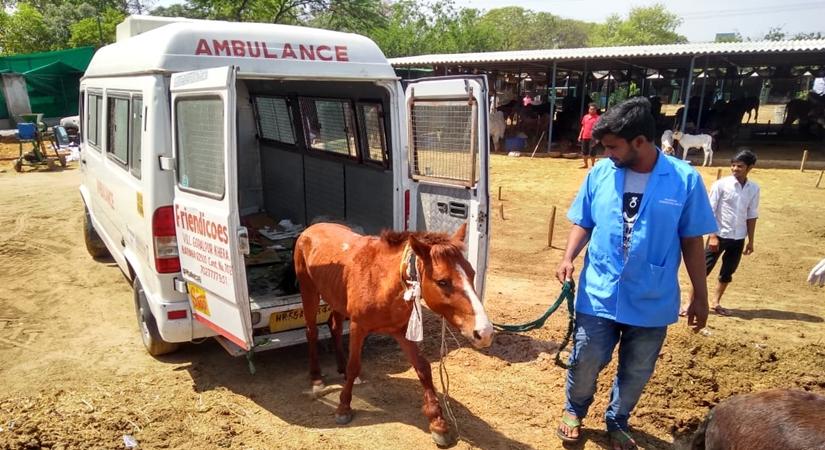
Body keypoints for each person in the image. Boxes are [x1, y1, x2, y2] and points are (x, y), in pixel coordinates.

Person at [555, 97, 717, 449]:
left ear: (640, 141)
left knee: (637, 369)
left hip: (652, 297)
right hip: (599, 291)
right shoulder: (600, 174)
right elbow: (584, 221)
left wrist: (700, 296)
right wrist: (568, 257)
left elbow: (692, 240)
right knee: (586, 359)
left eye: (613, 146)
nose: (607, 153)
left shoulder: (684, 180)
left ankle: (618, 419)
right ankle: (574, 410)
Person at [681, 149, 760, 317]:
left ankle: (716, 302)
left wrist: (751, 241)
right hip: (719, 235)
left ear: (750, 167)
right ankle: (689, 303)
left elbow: (752, 215)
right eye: (733, 165)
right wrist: (712, 235)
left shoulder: (753, 189)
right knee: (702, 270)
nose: (735, 169)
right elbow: (710, 210)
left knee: (728, 271)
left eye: (740, 166)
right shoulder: (721, 185)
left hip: (738, 237)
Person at [578, 103, 600, 169]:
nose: (591, 110)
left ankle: (593, 165)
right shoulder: (585, 117)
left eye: (593, 109)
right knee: (584, 151)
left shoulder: (598, 118)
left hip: (594, 137)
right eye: (590, 109)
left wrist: (598, 138)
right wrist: (580, 135)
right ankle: (586, 165)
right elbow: (583, 127)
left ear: (596, 110)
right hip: (585, 136)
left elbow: (599, 128)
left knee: (592, 151)